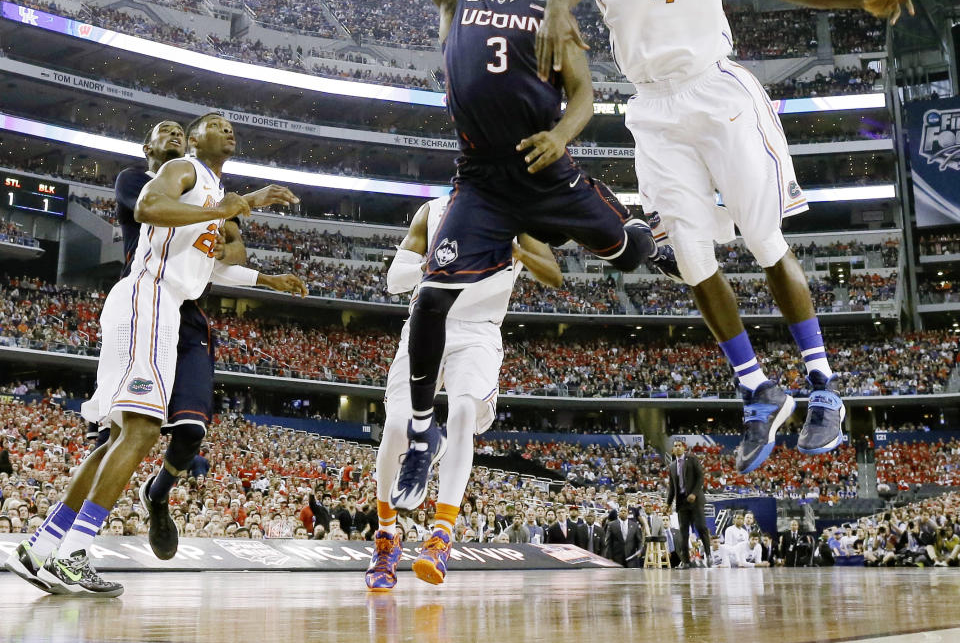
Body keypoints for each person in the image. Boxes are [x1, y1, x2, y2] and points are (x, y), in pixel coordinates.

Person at [536, 0, 921, 472]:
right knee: (689, 258)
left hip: (719, 91)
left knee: (765, 239)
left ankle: (823, 387)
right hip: (653, 110)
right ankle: (757, 389)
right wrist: (557, 8)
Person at [390, 0, 676, 527]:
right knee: (430, 298)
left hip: (543, 170)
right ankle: (421, 434)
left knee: (633, 252)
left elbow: (584, 97)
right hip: (482, 181)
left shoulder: (549, 14)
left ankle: (659, 245)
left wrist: (560, 133)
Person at [15, 114, 298, 596]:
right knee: (143, 428)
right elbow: (146, 206)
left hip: (164, 303)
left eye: (231, 125)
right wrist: (226, 209)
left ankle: (44, 547)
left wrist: (266, 277)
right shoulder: (182, 170)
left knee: (116, 437)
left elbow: (208, 270)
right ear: (192, 140)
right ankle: (75, 552)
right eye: (215, 123)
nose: (227, 128)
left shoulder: (212, 190)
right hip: (149, 296)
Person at [365, 195, 562, 591]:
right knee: (394, 429)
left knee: (462, 415)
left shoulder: (516, 212)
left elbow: (553, 275)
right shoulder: (432, 211)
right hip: (426, 320)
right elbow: (393, 280)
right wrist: (431, 263)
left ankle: (440, 535)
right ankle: (387, 538)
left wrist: (514, 248)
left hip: (478, 331)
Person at [665, 439, 709, 569]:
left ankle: (709, 556)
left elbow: (701, 477)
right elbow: (672, 488)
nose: (678, 448)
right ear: (673, 450)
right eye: (675, 446)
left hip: (695, 501)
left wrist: (694, 494)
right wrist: (668, 504)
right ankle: (685, 561)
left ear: (684, 448)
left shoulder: (692, 459)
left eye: (680, 446)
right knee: (683, 533)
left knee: (701, 527)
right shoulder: (672, 466)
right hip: (682, 502)